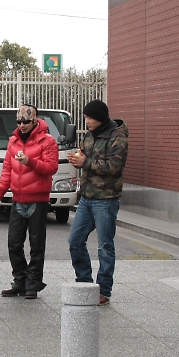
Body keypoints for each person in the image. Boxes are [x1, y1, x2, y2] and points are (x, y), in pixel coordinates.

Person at [0, 105, 59, 299]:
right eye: (19, 121)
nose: (22, 125)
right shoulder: (13, 141)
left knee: (36, 245)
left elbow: (51, 167)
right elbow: (7, 169)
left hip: (38, 199)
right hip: (18, 198)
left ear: (35, 120)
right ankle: (20, 280)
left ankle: (33, 283)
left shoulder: (47, 141)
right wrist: (0, 193)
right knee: (14, 243)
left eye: (26, 121)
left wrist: (30, 161)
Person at [66, 99, 128, 306]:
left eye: (89, 118)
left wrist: (86, 162)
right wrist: (78, 159)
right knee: (75, 240)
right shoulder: (89, 136)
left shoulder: (117, 137)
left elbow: (114, 167)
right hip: (87, 198)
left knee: (105, 246)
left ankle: (103, 290)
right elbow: (86, 160)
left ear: (100, 117)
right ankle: (84, 282)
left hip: (106, 199)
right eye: (85, 117)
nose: (87, 121)